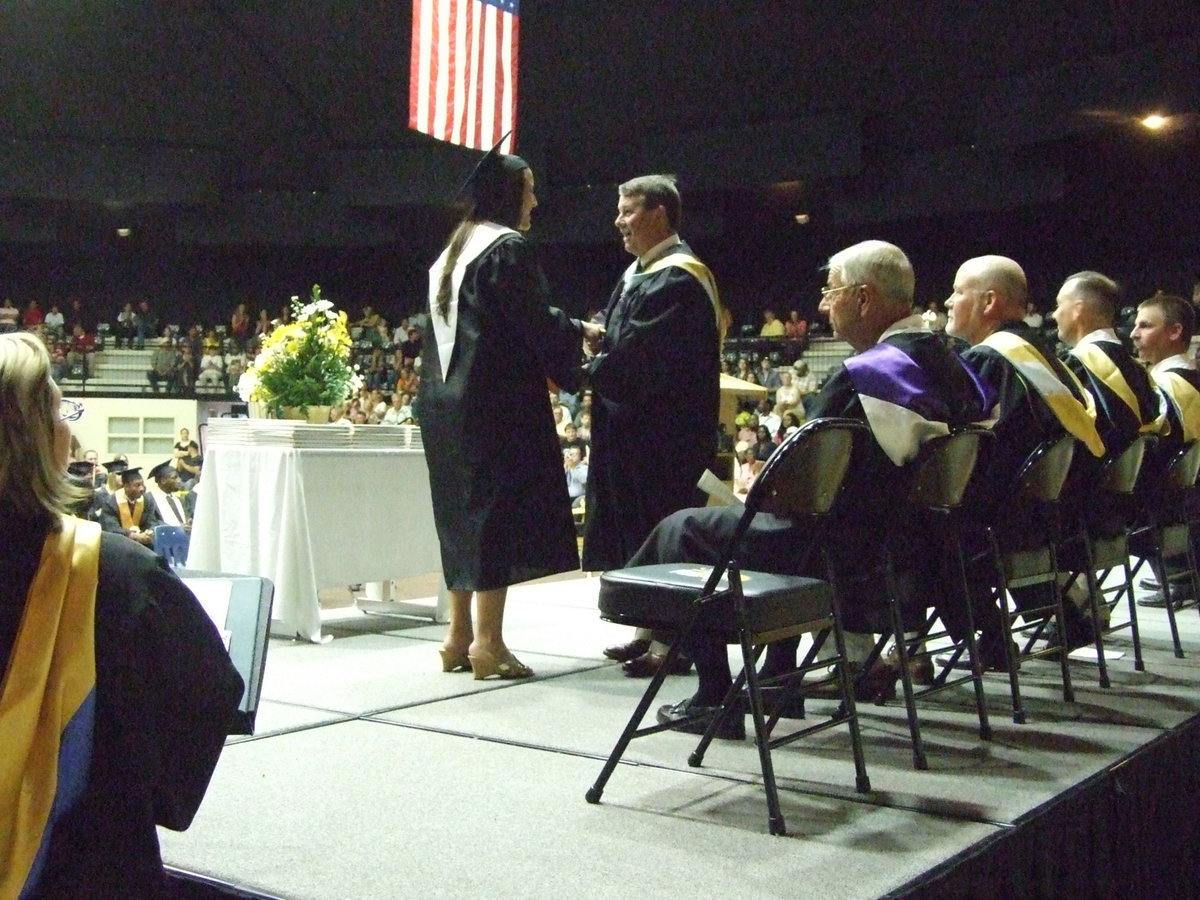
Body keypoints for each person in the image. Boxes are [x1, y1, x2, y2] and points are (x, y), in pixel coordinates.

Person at [645, 240, 991, 738]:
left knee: (683, 531)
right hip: (920, 554)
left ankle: (711, 695)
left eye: (832, 291)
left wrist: (761, 492)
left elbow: (789, 486)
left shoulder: (866, 376)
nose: (824, 304)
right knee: (787, 525)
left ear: (865, 298)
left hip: (849, 559)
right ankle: (777, 679)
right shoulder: (955, 367)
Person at [0, 331, 243, 897]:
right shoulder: (113, 574)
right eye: (58, 414)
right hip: (81, 871)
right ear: (29, 439)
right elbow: (204, 697)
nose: (71, 431)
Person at [420, 138, 600, 681]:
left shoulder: (451, 250)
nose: (536, 202)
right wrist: (578, 336)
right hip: (489, 401)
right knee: (492, 516)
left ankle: (455, 637)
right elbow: (530, 321)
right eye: (529, 190)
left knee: (459, 514)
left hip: (441, 399)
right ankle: (488, 643)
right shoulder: (506, 248)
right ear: (508, 194)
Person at [583, 174, 723, 677]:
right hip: (634, 433)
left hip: (668, 438)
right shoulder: (641, 272)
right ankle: (650, 631)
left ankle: (675, 644)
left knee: (665, 532)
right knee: (641, 532)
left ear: (660, 213)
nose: (619, 221)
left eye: (628, 210)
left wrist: (582, 371)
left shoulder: (681, 276)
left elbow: (641, 357)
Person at [943, 255, 1105, 662]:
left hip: (997, 523)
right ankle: (1061, 615)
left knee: (920, 521)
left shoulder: (990, 359)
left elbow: (968, 452)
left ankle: (988, 637)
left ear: (989, 302)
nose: (948, 301)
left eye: (959, 291)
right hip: (1045, 518)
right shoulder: (1043, 356)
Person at [1130, 292, 1200, 607]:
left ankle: (1178, 572)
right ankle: (1180, 572)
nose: (1134, 333)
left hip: (1175, 507)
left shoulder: (1167, 385)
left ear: (1174, 332)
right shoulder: (1190, 377)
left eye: (1145, 326)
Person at [98, 467, 163, 546]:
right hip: (118, 544)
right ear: (126, 487)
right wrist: (134, 536)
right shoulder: (110, 502)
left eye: (142, 484)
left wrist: (149, 532)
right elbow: (111, 528)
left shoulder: (146, 500)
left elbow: (151, 521)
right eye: (137, 485)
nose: (142, 488)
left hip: (143, 544)